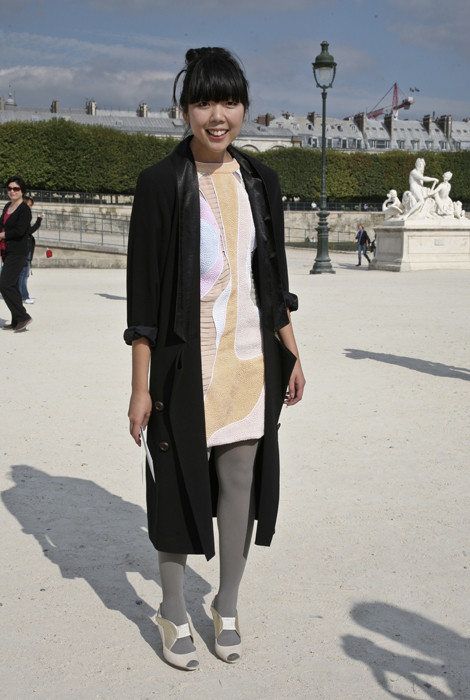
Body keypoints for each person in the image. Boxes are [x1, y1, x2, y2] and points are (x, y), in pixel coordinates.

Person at [124, 47, 305, 671]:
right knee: (175, 489)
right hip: (182, 366)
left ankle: (226, 606)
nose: (218, 115)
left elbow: (272, 280)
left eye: (229, 101)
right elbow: (143, 301)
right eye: (204, 102)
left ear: (244, 106)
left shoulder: (261, 180)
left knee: (238, 487)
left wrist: (293, 353)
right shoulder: (158, 184)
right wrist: (139, 387)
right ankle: (172, 609)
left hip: (250, 358)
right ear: (184, 110)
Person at [0, 176, 32, 331]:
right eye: (9, 188)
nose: (12, 191)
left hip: (18, 252)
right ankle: (15, 321)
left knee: (5, 284)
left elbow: (20, 231)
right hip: (6, 251)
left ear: (22, 191)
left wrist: (2, 235)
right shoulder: (7, 206)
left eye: (16, 189)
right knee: (11, 285)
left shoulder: (24, 210)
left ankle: (23, 316)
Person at [19, 196, 43, 304]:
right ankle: (23, 296)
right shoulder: (22, 217)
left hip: (26, 248)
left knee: (24, 274)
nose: (30, 208)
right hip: (24, 249)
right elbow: (30, 231)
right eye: (29, 205)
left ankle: (23, 295)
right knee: (23, 275)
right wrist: (39, 220)